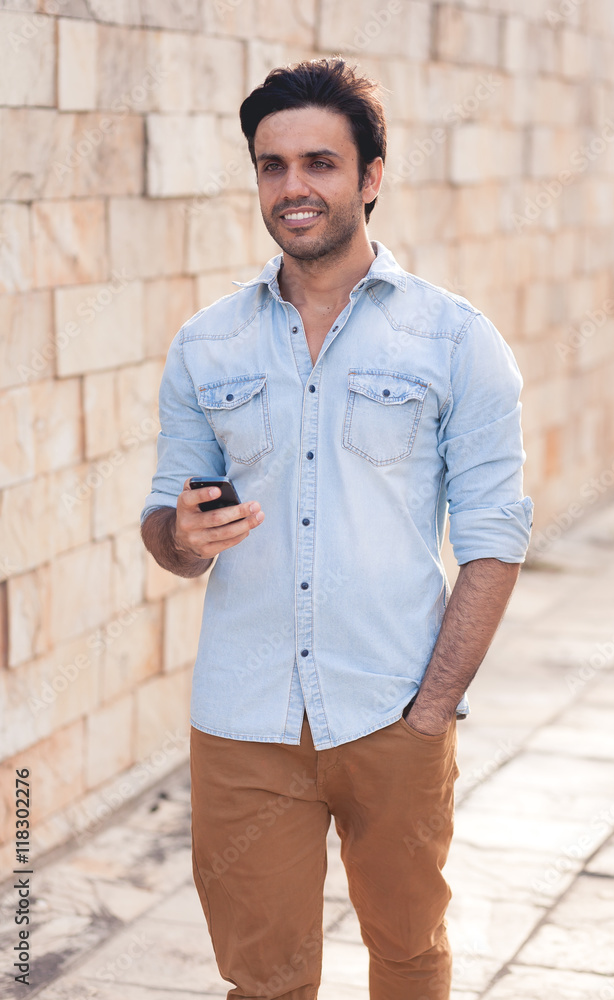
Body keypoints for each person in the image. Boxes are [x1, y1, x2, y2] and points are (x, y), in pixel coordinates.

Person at [140, 57, 533, 1000]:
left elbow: (493, 539)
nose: (293, 188)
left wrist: (431, 708)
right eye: (272, 166)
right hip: (244, 718)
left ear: (370, 176)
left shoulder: (452, 339)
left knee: (405, 954)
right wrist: (183, 539)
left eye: (319, 162)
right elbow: (163, 526)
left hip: (392, 706)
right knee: (261, 980)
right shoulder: (207, 343)